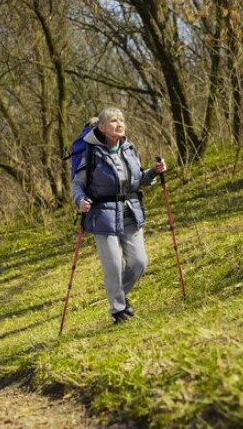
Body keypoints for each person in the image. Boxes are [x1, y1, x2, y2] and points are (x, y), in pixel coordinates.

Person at [71, 107, 166, 325]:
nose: (119, 124)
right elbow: (77, 184)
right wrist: (80, 201)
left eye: (121, 119)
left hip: (130, 211)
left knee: (139, 262)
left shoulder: (129, 148)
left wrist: (153, 172)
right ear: (102, 127)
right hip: (102, 215)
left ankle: (119, 297)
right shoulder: (91, 153)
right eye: (113, 121)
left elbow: (137, 179)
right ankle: (118, 309)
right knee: (113, 265)